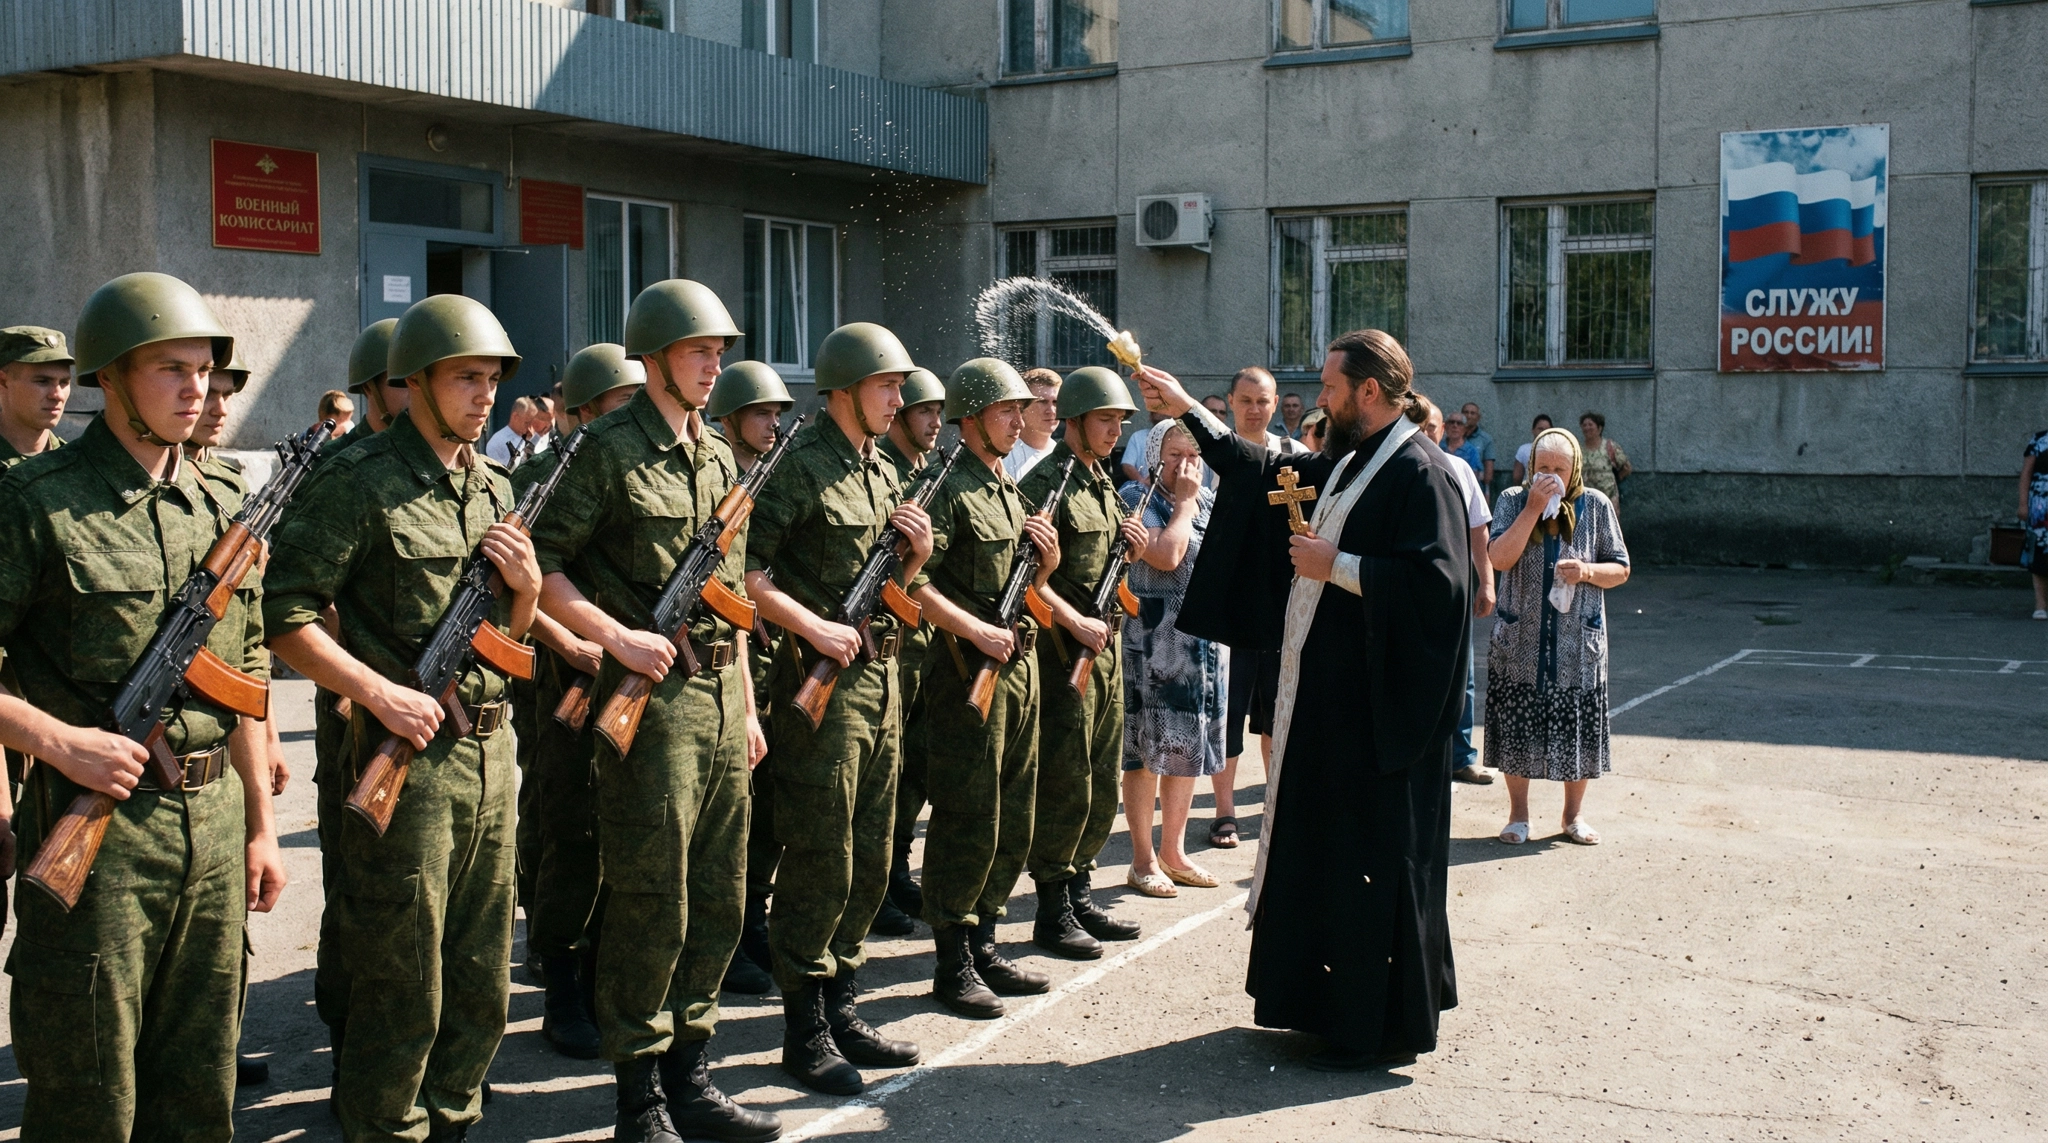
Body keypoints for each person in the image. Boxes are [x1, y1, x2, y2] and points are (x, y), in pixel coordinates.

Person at [0, 273, 287, 1138]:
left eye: (203, 369)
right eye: (170, 367)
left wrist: (263, 826)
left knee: (200, 1087)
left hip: (211, 826)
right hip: (100, 841)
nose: (195, 387)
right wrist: (59, 744)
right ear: (112, 377)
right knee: (90, 1092)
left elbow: (243, 680)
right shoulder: (36, 503)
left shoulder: (223, 504)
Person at [1138, 328, 1470, 1072]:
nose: (1316, 399)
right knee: (1326, 860)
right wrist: (1191, 408)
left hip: (1381, 721)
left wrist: (1338, 563)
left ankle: (1373, 1026)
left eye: (1328, 387)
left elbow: (1439, 591)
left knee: (1373, 870)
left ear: (1369, 393)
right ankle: (1324, 1011)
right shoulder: (1355, 460)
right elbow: (1262, 470)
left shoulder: (1423, 473)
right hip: (1329, 709)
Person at [265, 293, 537, 1140]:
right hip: (406, 764)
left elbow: (504, 641)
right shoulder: (360, 480)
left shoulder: (496, 483)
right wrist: (376, 692)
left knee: (479, 971)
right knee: (401, 978)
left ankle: (452, 1119)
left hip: (492, 758)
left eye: (493, 379)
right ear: (413, 382)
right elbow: (286, 614)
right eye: (466, 378)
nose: (484, 395)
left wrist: (525, 594)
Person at [532, 279, 778, 1143]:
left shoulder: (720, 459)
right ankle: (639, 1094)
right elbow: (538, 565)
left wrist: (746, 706)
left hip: (717, 699)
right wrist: (614, 638)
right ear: (654, 357)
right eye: (698, 351)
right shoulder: (605, 448)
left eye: (720, 351)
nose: (715, 366)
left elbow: (734, 602)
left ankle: (692, 1074)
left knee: (717, 893)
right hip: (651, 708)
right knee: (651, 896)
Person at [744, 322, 931, 1096]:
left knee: (869, 850)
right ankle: (804, 1026)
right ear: (848, 387)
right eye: (889, 386)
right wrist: (812, 624)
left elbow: (897, 588)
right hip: (818, 690)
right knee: (820, 854)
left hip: (880, 685)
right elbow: (745, 573)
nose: (900, 399)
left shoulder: (880, 467)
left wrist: (915, 558)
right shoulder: (796, 466)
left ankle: (842, 1001)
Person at [904, 358, 1061, 1020]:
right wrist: (975, 631)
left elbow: (1026, 586)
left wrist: (1046, 567)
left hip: (1017, 671)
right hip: (967, 675)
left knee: (1013, 811)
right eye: (1005, 411)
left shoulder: (1007, 490)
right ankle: (953, 958)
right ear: (971, 420)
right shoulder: (947, 489)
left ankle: (986, 937)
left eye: (1020, 410)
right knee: (968, 816)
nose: (1018, 420)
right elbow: (915, 584)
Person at [520, 345, 641, 1063]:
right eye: (618, 404)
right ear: (585, 410)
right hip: (568, 678)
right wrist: (570, 641)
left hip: (629, 672)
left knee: (619, 827)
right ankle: (562, 979)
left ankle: (601, 972)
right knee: (570, 826)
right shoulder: (543, 475)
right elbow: (523, 581)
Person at [1019, 366, 1151, 960]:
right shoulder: (1047, 486)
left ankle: (1080, 888)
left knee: (1100, 778)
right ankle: (1052, 909)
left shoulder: (1099, 482)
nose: (1115, 430)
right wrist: (1073, 622)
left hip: (1104, 653)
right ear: (1073, 421)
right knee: (1066, 779)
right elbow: (1024, 583)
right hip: (1062, 655)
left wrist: (1134, 550)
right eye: (1105, 420)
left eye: (1121, 421)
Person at [1486, 428, 1630, 847]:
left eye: (1559, 470)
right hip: (1521, 640)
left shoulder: (1596, 505)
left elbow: (1620, 568)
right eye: (1542, 468)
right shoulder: (1514, 500)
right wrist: (1532, 509)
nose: (1550, 477)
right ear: (1530, 468)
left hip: (1576, 646)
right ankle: (1518, 816)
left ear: (1575, 471)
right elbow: (1498, 557)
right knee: (1517, 726)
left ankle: (1573, 815)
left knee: (1578, 730)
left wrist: (1586, 571)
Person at [705, 360, 797, 998]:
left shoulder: (775, 479)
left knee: (764, 811)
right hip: (720, 664)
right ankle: (728, 935)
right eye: (761, 413)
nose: (772, 424)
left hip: (771, 663)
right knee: (725, 816)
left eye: (776, 413)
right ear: (732, 418)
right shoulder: (717, 481)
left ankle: (753, 920)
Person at [1119, 419, 1229, 899]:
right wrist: (1185, 502)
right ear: (1154, 458)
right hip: (1153, 641)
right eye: (1175, 454)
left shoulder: (1209, 500)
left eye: (1195, 455)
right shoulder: (1133, 498)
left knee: (1187, 749)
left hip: (1201, 643)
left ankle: (1174, 851)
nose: (1187, 465)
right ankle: (1142, 859)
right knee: (1147, 752)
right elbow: (1167, 555)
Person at [1209, 367, 1310, 855]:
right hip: (1230, 606)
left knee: (1279, 710)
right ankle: (1225, 812)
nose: (1254, 408)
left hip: (1282, 607)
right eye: (1245, 400)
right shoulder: (1214, 457)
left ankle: (1277, 805)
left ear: (1275, 404)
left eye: (1263, 400)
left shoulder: (1296, 459)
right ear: (1230, 401)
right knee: (1227, 713)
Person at [875, 366, 948, 939]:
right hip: (889, 647)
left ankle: (896, 868)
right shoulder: (887, 473)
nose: (933, 421)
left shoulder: (932, 471)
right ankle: (877, 884)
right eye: (923, 411)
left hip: (926, 645)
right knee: (887, 772)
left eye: (937, 411)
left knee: (915, 768)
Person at [1416, 398, 1498, 786]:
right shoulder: (1400, 468)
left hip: (1453, 587)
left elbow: (1478, 528)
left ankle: (1461, 757)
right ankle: (1419, 756)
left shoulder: (1460, 468)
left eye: (1432, 427)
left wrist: (1487, 581)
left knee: (1460, 671)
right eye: (1418, 426)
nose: (1426, 434)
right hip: (1409, 586)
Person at [0, 326, 73, 466]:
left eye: (64, 382)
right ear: (3, 381)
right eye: (42, 381)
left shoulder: (75, 465)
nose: (57, 395)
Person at [1003, 366, 1061, 479]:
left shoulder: (1065, 456)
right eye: (1042, 402)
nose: (1051, 411)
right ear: (1021, 406)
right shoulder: (1003, 457)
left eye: (1055, 402)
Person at [1577, 411, 1631, 513]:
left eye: (1590, 424)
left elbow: (1627, 468)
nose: (1587, 428)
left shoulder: (1610, 447)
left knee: (1608, 528)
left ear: (1599, 428)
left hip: (1608, 500)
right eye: (1584, 425)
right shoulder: (1578, 449)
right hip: (1586, 501)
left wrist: (1617, 479)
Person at [2022, 429, 2048, 620]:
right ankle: (2040, 604)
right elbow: (2026, 473)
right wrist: (2023, 504)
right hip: (2040, 509)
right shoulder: (2039, 440)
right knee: (2039, 555)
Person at [484, 395, 536, 467]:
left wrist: (531, 442)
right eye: (527, 423)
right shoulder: (498, 441)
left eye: (532, 423)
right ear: (515, 417)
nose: (530, 428)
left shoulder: (528, 438)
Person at [1121, 408, 1166, 483]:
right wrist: (1142, 482)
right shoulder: (1138, 436)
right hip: (1143, 488)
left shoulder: (1180, 439)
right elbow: (1127, 465)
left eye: (1161, 407)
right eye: (1153, 410)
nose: (1156, 411)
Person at [1460, 402, 1496, 490]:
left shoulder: (1486, 439)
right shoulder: (1452, 436)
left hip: (1475, 486)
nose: (1469, 416)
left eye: (1472, 413)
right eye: (1466, 412)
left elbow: (1488, 473)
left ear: (1478, 417)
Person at [1512, 413, 1553, 485]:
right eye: (1540, 429)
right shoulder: (1524, 449)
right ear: (1533, 430)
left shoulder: (1557, 450)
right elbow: (1517, 477)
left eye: (1547, 429)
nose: (1543, 432)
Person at [1442, 409, 1483, 478]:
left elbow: (1473, 476)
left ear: (1465, 429)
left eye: (1459, 423)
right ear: (1445, 426)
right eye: (1451, 422)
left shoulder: (1471, 451)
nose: (1455, 426)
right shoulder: (1438, 446)